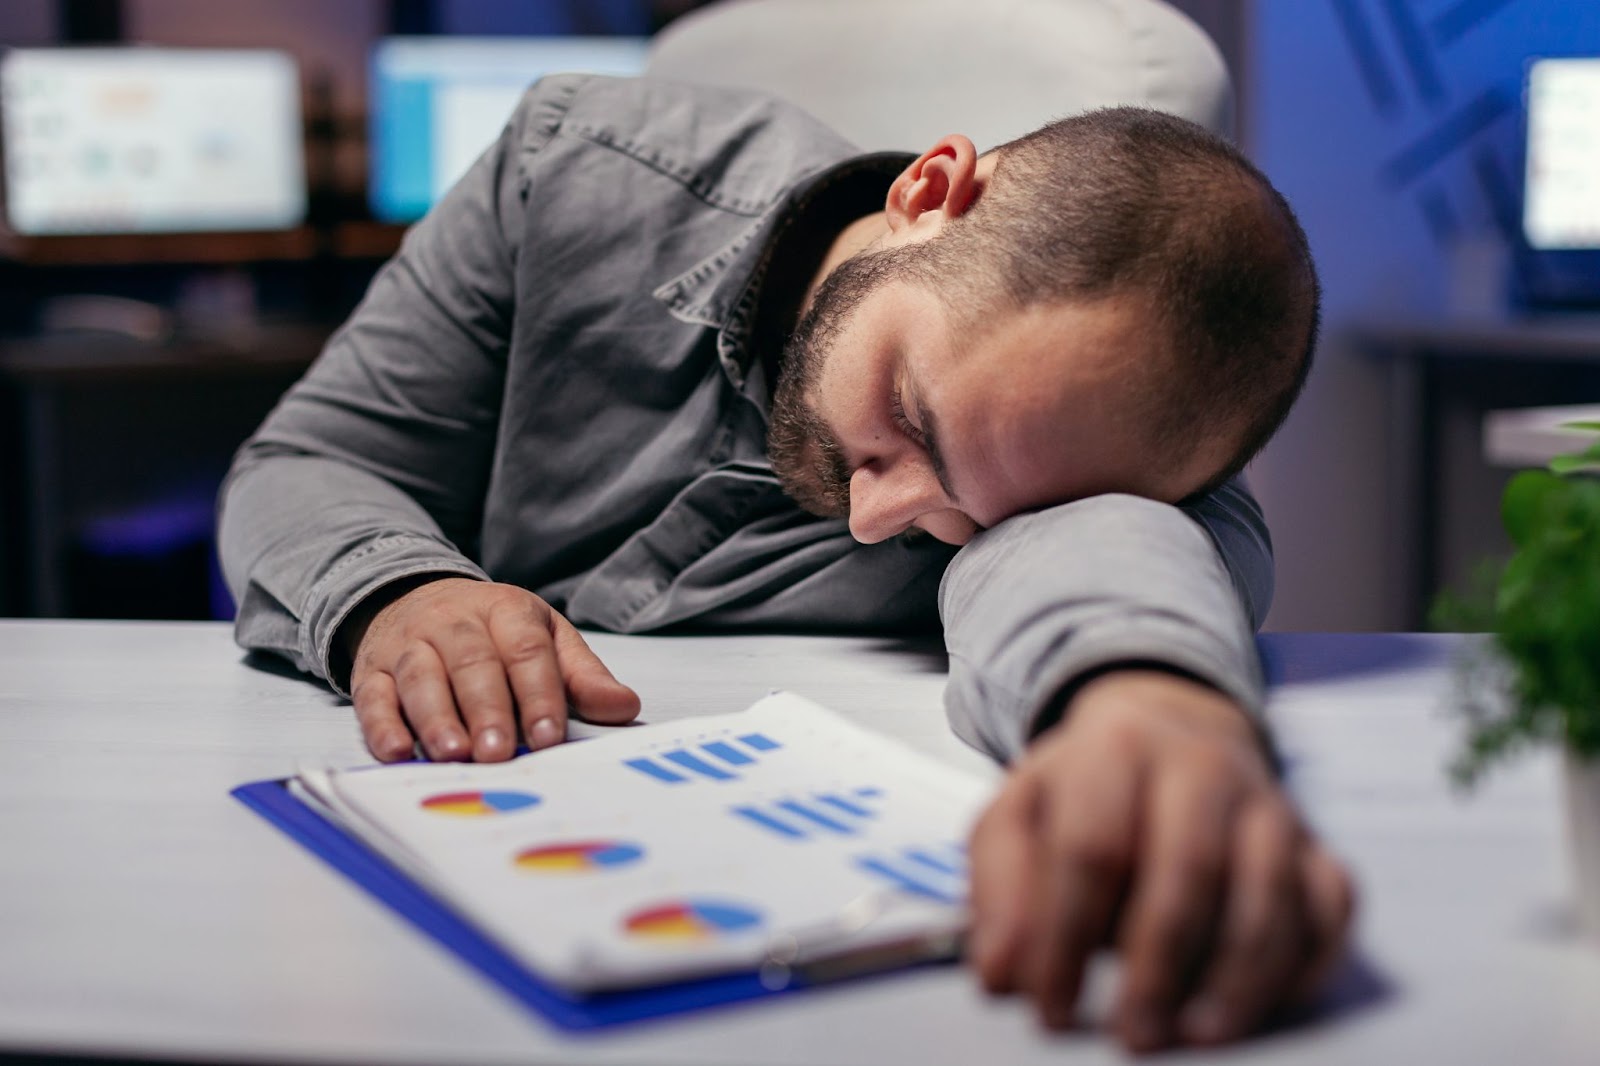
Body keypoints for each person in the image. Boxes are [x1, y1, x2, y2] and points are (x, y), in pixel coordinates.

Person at [218, 74, 1352, 1053]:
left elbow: (1125, 553)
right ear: (926, 194)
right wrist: (403, 588)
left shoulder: (1076, 438)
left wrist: (1143, 699)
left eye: (963, 516)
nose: (877, 519)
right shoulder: (572, 165)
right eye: (907, 412)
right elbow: (315, 457)